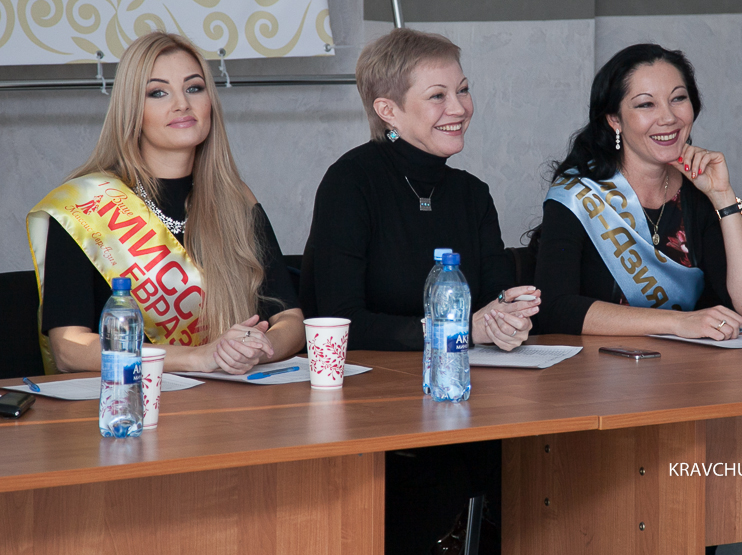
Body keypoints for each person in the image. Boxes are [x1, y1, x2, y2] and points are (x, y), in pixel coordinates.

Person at [300, 27, 540, 554]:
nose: (460, 108)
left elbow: (495, 300)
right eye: (438, 96)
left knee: (544, 463)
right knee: (445, 479)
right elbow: (339, 319)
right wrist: (461, 330)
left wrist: (511, 315)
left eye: (463, 89)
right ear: (388, 110)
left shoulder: (472, 194)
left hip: (466, 402)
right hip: (372, 413)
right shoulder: (351, 182)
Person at [26, 31, 304, 376]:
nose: (182, 104)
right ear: (132, 110)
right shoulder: (85, 204)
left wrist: (255, 349)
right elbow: (69, 349)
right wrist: (198, 357)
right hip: (127, 399)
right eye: (158, 92)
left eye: (194, 88)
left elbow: (290, 319)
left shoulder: (235, 199)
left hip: (228, 398)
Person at [533, 43, 742, 340]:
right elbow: (555, 309)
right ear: (614, 119)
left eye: (678, 99)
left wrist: (723, 196)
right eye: (646, 104)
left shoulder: (697, 191)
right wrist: (676, 323)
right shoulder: (576, 195)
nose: (668, 117)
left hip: (690, 366)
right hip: (599, 367)